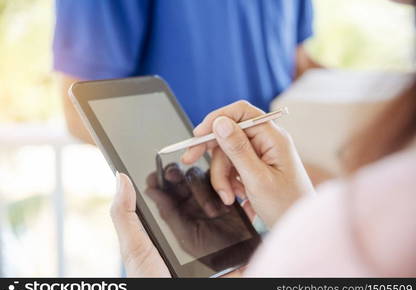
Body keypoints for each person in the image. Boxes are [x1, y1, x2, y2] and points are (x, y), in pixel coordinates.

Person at [110, 0, 416, 275]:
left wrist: (310, 213)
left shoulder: (382, 216)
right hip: (217, 221)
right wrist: (303, 212)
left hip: (263, 219)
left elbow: (298, 65)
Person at [53, 0, 320, 144]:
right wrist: (201, 178)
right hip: (196, 215)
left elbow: (299, 67)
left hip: (289, 209)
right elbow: (82, 107)